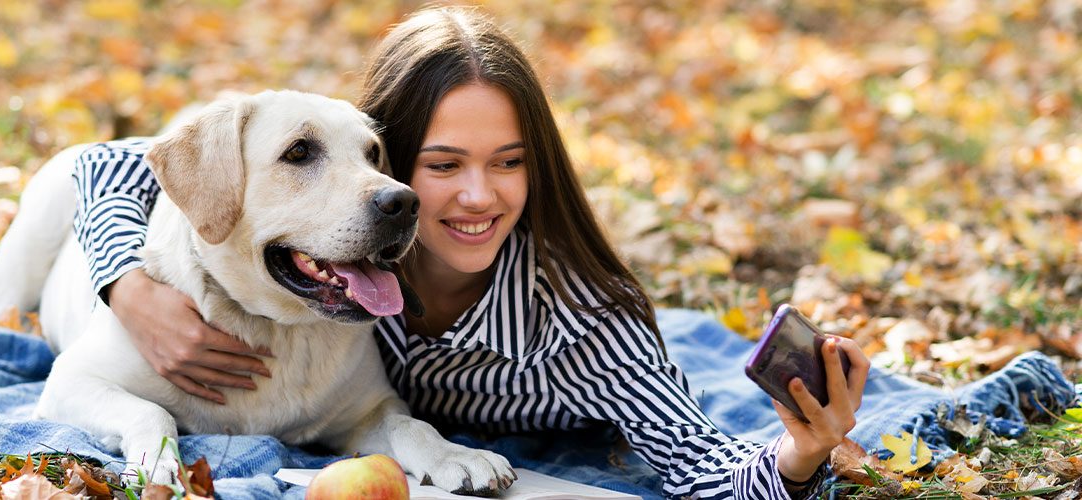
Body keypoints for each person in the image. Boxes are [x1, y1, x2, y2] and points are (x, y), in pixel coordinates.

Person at [70, 7, 868, 498]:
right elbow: (104, 162)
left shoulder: (587, 327)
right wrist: (123, 288)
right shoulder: (348, 252)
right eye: (444, 166)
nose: (479, 197)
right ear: (404, 161)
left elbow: (703, 467)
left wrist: (798, 455)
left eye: (509, 162)